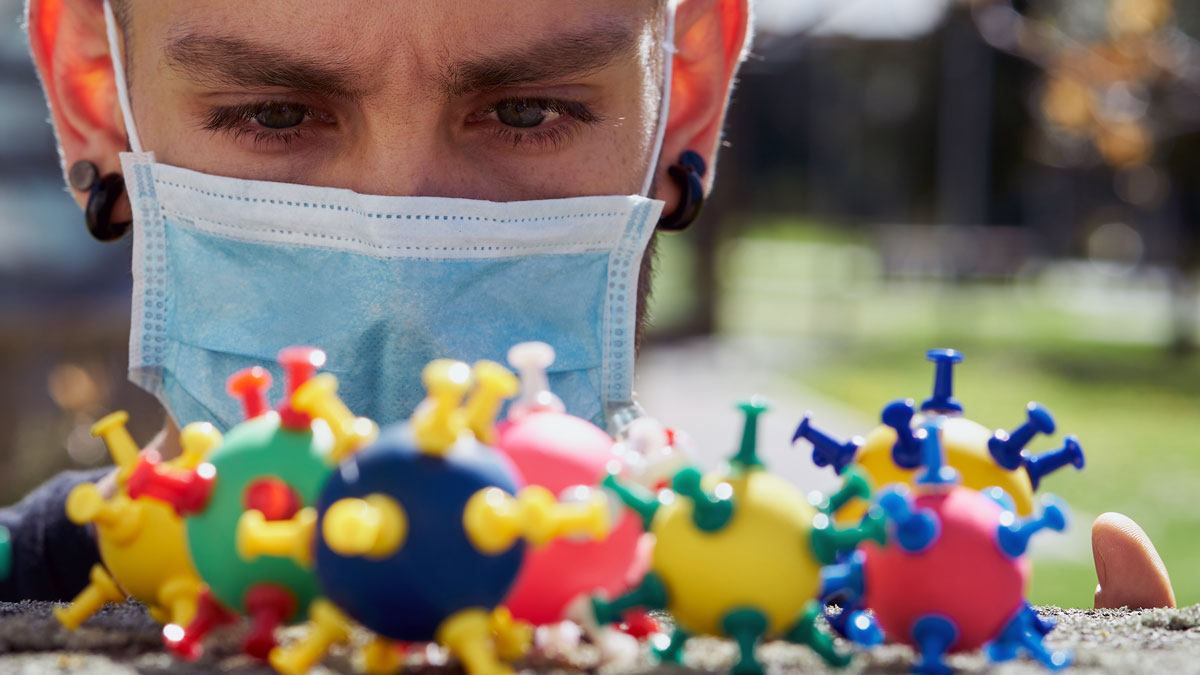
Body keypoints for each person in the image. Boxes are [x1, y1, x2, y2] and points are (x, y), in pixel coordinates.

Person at [1, 0, 1175, 615]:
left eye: (526, 114)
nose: (403, 264)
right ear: (94, 91)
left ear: (689, 88)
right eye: (269, 114)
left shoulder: (829, 621)